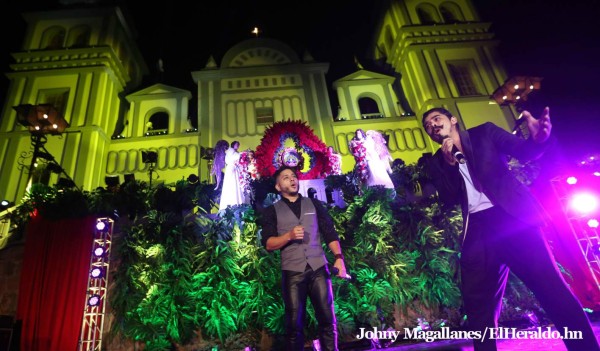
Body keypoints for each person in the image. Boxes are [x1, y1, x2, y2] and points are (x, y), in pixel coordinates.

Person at [421, 106, 599, 351]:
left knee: (551, 290)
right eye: (427, 125)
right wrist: (450, 164)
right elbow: (450, 198)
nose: (432, 125)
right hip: (477, 227)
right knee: (478, 304)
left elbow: (525, 152)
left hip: (513, 220)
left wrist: (539, 140)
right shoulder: (436, 162)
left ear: (452, 120)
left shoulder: (484, 132)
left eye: (436, 118)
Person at [259, 166, 348, 351]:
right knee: (293, 326)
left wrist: (339, 258)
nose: (292, 179)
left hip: (318, 268)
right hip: (292, 272)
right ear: (277, 187)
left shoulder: (314, 204)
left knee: (327, 320)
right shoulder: (271, 211)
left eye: (293, 176)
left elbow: (329, 232)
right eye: (285, 177)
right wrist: (288, 236)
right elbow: (268, 244)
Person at [218, 140, 245, 210]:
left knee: (236, 184)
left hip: (235, 169)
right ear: (233, 145)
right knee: (232, 184)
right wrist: (243, 153)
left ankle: (238, 201)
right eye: (237, 145)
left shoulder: (234, 152)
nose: (238, 146)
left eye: (238, 145)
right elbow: (235, 157)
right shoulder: (231, 150)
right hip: (231, 169)